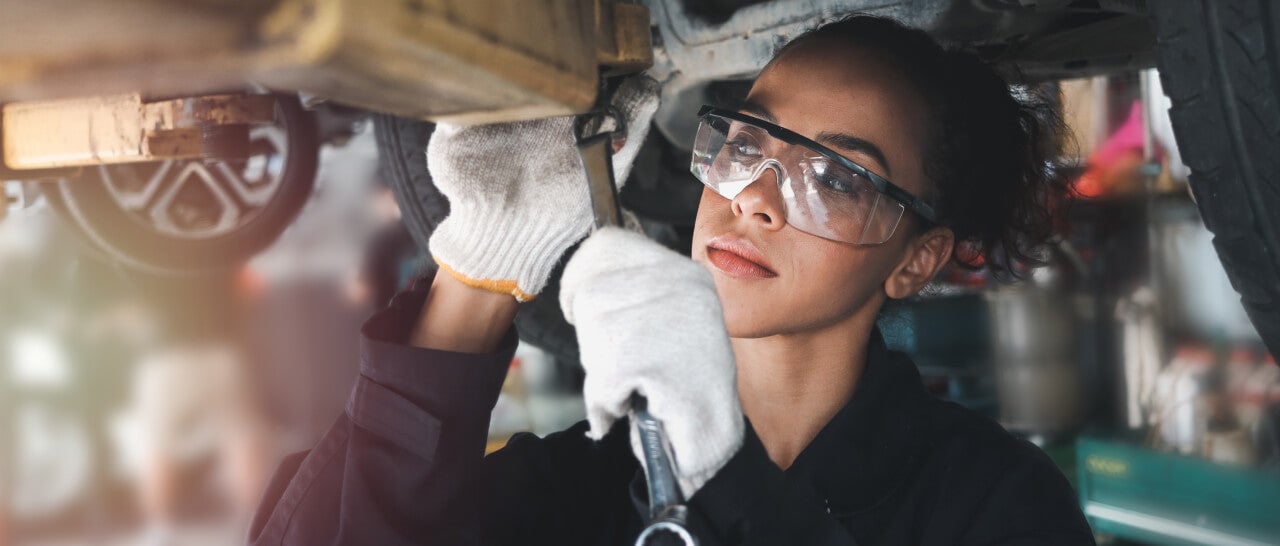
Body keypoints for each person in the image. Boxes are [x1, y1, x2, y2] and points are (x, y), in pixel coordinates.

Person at [250, 15, 1093, 545]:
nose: (755, 197)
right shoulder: (576, 488)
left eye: (837, 178)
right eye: (748, 144)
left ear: (916, 258)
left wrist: (718, 474)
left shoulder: (997, 508)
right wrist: (478, 270)